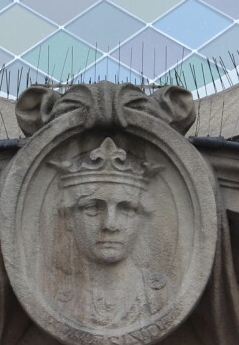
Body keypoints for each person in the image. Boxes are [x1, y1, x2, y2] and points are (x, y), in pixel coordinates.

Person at [49, 137, 168, 329]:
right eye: (92, 209)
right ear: (69, 218)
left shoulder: (161, 294)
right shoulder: (55, 295)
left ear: (142, 219)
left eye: (126, 209)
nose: (110, 225)